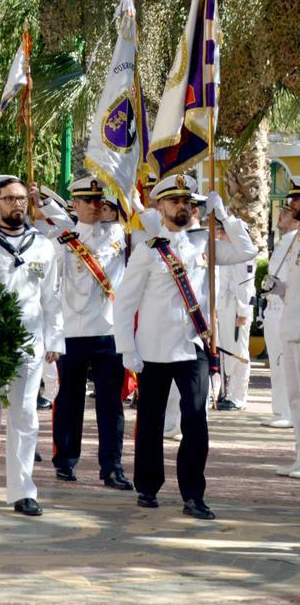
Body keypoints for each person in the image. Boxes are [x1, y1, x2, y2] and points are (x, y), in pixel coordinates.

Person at [115, 175, 256, 519]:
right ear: (160, 206)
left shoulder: (204, 242)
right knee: (150, 420)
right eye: (174, 201)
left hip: (193, 345)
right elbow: (124, 303)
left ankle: (193, 493)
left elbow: (246, 250)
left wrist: (225, 217)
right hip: (153, 347)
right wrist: (127, 349)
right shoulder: (148, 251)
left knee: (196, 421)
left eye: (187, 202)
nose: (183, 206)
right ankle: (147, 486)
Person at [0, 176, 63, 516]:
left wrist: (54, 340)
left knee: (25, 417)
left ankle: (22, 492)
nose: (17, 204)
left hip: (29, 343)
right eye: (9, 199)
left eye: (22, 199)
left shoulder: (44, 246)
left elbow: (51, 297)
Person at [39, 176, 132, 491]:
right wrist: (51, 336)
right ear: (75, 205)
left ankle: (112, 467)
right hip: (73, 332)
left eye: (98, 201)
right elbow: (50, 291)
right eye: (87, 201)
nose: (94, 206)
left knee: (111, 404)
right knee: (69, 401)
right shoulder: (61, 242)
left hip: (110, 332)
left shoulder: (118, 234)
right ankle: (65, 460)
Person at [213, 219, 254, 411]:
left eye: (224, 231)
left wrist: (243, 312)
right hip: (224, 308)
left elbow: (245, 286)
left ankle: (238, 397)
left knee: (238, 353)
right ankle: (227, 393)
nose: (220, 234)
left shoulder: (243, 256)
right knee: (225, 352)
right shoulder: (226, 254)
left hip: (237, 310)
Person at [262, 209, 297, 428]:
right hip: (272, 309)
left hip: (286, 310)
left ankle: (288, 412)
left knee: (285, 363)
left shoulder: (295, 243)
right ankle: (280, 409)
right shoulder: (284, 242)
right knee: (276, 362)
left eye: (286, 213)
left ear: (295, 221)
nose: (281, 216)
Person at [276, 176, 300, 478]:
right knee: (295, 398)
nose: (292, 205)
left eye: (296, 200)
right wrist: (278, 288)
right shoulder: (294, 240)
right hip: (290, 326)